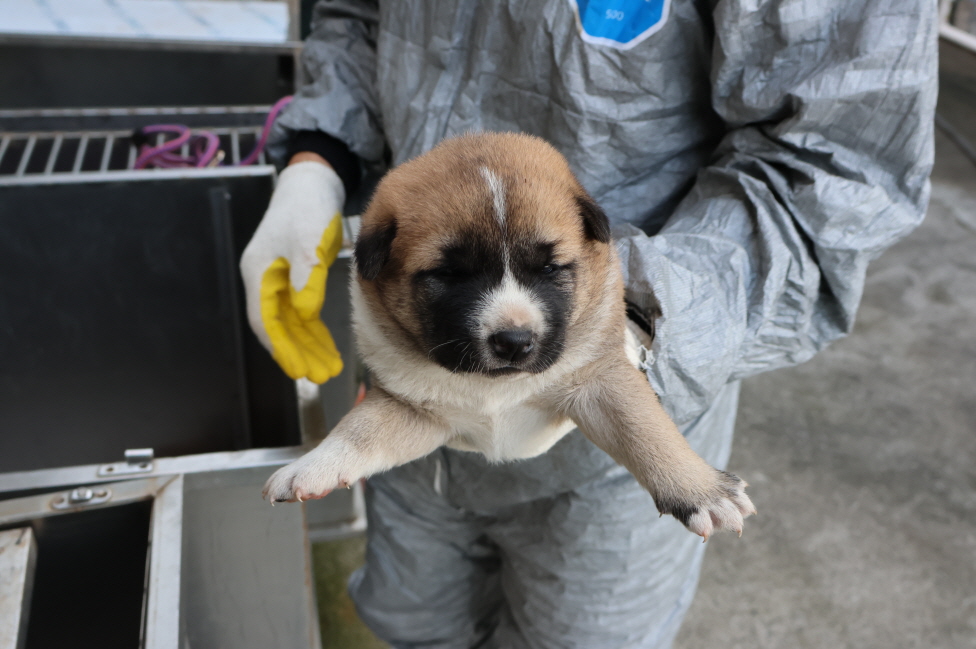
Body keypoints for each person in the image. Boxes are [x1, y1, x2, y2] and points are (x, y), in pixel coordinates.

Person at [240, 1, 937, 646]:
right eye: (452, 276)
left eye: (549, 270)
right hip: (421, 452)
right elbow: (355, 14)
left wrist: (632, 323)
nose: (510, 321)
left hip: (628, 421)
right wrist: (317, 162)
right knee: (417, 624)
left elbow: (833, 168)